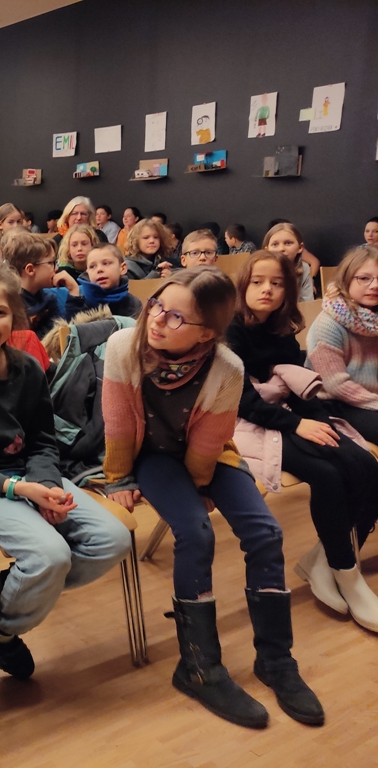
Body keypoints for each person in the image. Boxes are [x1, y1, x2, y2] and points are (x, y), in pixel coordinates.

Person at [102, 267, 323, 729]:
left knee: (265, 532)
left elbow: (209, 443)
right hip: (152, 455)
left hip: (208, 454)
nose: (157, 318)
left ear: (206, 333)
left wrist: (201, 485)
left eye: (176, 317)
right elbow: (119, 423)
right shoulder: (123, 346)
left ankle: (276, 660)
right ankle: (199, 667)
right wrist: (118, 477)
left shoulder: (227, 367)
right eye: (157, 304)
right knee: (196, 533)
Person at [0, 266, 130, 680]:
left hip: (31, 475)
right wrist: (22, 489)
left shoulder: (28, 369)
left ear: (13, 318)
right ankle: (6, 626)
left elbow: (43, 441)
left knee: (112, 540)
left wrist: (47, 486)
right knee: (50, 556)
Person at [228, 251, 378, 632]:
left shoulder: (281, 328)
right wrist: (298, 426)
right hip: (245, 422)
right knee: (328, 475)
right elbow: (241, 400)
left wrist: (318, 422)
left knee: (365, 464)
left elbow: (299, 388)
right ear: (243, 285)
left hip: (284, 414)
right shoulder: (231, 330)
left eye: (277, 283)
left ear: (288, 291)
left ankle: (327, 562)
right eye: (258, 282)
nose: (267, 289)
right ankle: (347, 575)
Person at [307, 244, 378, 445]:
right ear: (346, 280)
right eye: (364, 278)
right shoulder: (328, 323)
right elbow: (336, 386)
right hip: (337, 402)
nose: (374, 285)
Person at [5, 230, 82, 337]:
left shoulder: (48, 299)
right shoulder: (9, 303)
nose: (56, 268)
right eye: (51, 263)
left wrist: (74, 291)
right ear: (30, 270)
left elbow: (63, 337)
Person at [79, 244, 142, 319]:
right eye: (92, 266)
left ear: (122, 268)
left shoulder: (134, 303)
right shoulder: (77, 299)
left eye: (106, 263)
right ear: (87, 272)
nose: (99, 269)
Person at [263, 222, 314, 301]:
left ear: (300, 248)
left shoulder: (304, 268)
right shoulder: (260, 269)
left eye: (288, 243)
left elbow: (308, 302)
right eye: (275, 244)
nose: (281, 249)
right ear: (267, 250)